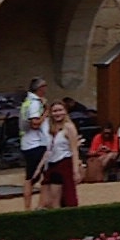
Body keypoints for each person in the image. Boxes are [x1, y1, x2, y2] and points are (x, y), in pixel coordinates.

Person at [34, 100, 82, 209]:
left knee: (65, 196)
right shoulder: (50, 128)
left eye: (60, 110)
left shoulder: (69, 127)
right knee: (45, 199)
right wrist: (39, 168)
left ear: (65, 111)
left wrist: (76, 171)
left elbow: (74, 150)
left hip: (64, 162)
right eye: (55, 111)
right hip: (51, 164)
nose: (57, 113)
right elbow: (48, 150)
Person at [19, 77, 48, 210]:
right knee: (34, 177)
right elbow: (35, 123)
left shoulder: (27, 101)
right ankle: (34, 206)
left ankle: (31, 206)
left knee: (32, 176)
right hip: (35, 143)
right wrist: (46, 113)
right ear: (40, 88)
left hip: (28, 143)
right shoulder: (35, 103)